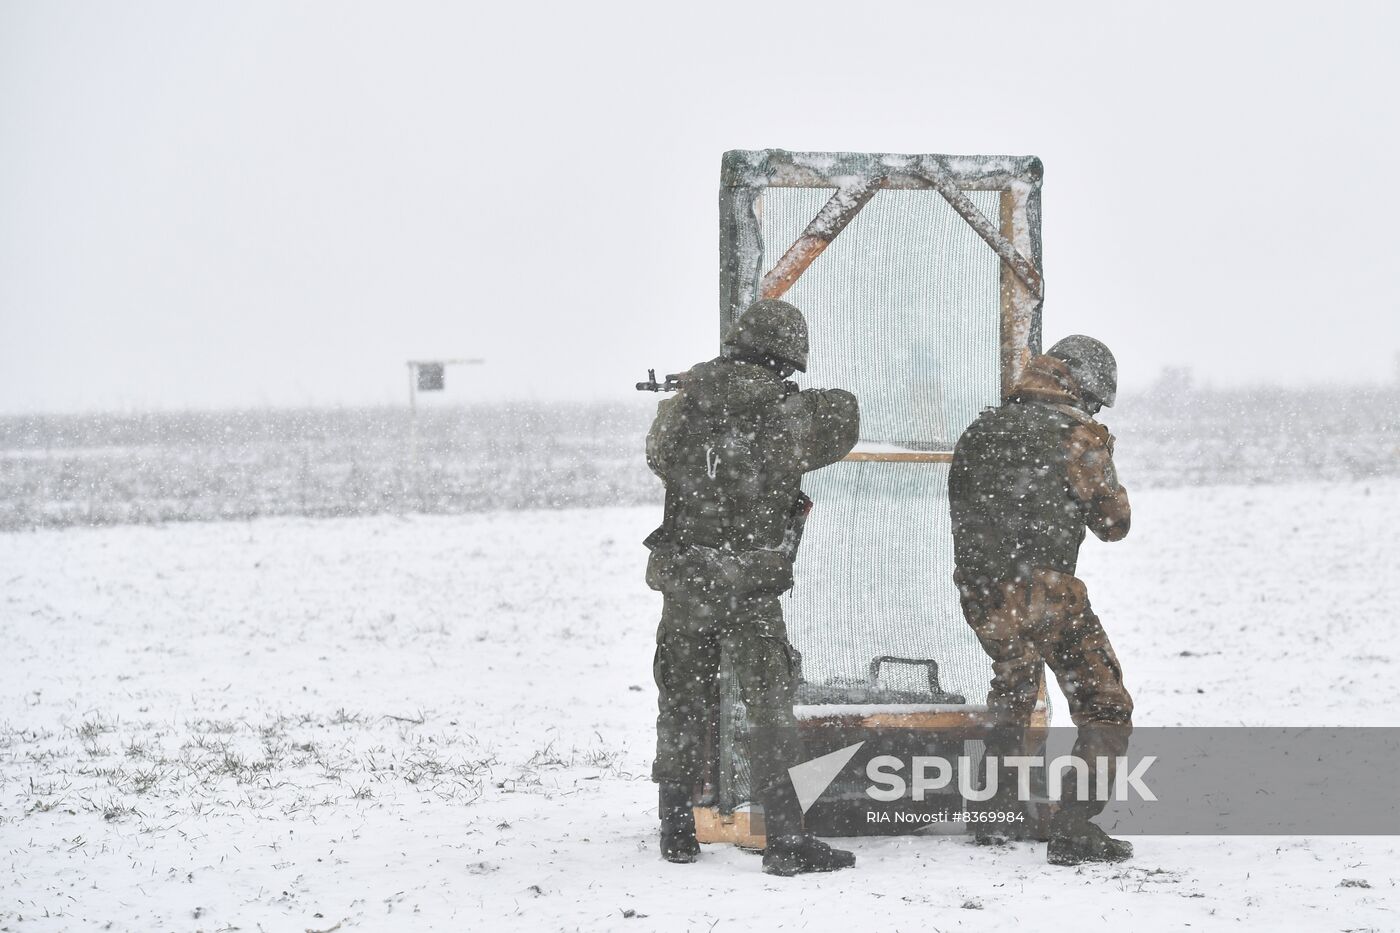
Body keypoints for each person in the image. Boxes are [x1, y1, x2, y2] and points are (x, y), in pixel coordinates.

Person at [643, 297, 860, 876]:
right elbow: (846, 416)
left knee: (681, 702)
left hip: (688, 580)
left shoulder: (681, 410)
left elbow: (660, 458)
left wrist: (707, 389)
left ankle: (676, 830)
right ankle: (786, 841)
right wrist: (764, 395)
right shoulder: (788, 414)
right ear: (786, 357)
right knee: (768, 710)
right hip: (749, 586)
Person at [947, 335, 1135, 866]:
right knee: (1105, 703)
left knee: (1013, 689)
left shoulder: (979, 429)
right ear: (1081, 386)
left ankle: (992, 812)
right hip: (1046, 590)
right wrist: (1102, 450)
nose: (1094, 410)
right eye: (1095, 400)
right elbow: (1113, 524)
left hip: (980, 591)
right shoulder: (1075, 435)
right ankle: (1075, 826)